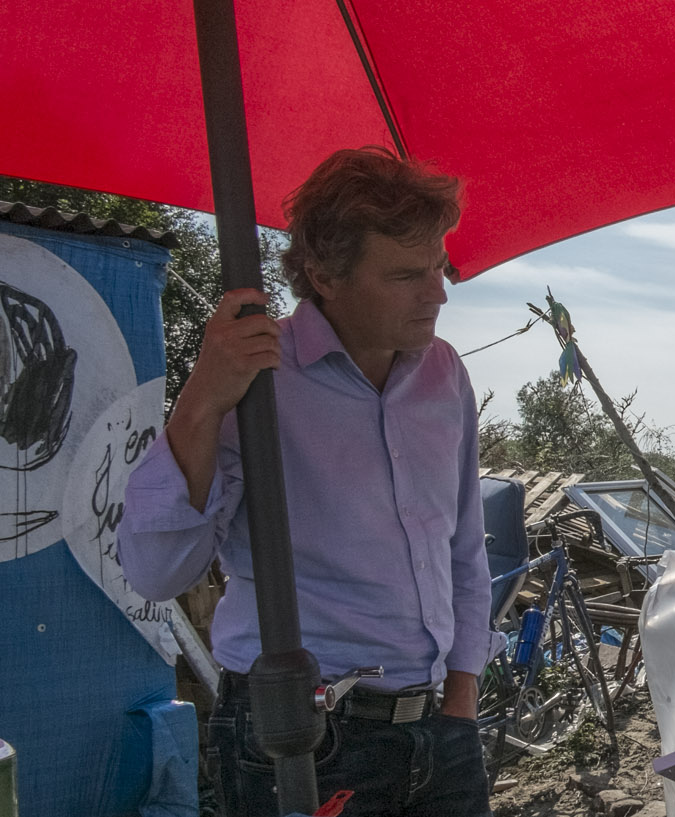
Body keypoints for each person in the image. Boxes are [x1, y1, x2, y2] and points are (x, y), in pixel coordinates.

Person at [119, 147, 500, 817]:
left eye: (439, 266)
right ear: (324, 275)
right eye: (409, 273)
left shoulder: (444, 375)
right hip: (302, 737)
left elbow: (464, 549)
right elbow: (156, 570)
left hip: (440, 729)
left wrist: (462, 697)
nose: (438, 292)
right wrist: (204, 396)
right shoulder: (257, 380)